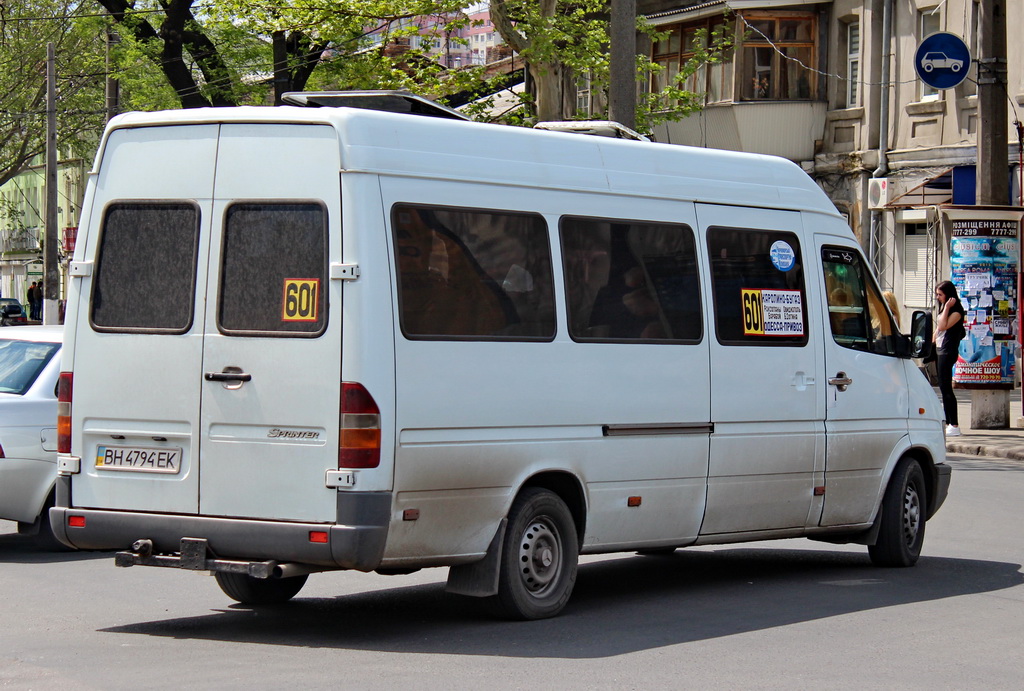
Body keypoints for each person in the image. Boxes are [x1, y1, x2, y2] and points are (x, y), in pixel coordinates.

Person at [933, 280, 966, 436]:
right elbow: (937, 329)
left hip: (948, 351)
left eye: (940, 294)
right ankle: (948, 421)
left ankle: (954, 423)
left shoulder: (956, 311)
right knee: (942, 387)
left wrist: (946, 308)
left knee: (946, 388)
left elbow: (943, 326)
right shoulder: (944, 309)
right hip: (940, 349)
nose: (938, 297)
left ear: (949, 295)